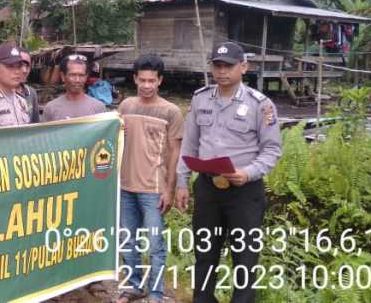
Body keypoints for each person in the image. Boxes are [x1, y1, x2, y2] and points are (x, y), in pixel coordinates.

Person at [175, 42, 282, 303]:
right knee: (205, 253)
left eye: (228, 66)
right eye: (217, 65)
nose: (222, 71)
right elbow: (189, 144)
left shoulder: (261, 105)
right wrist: (182, 182)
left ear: (243, 67)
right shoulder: (200, 99)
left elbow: (272, 150)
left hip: (244, 193)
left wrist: (248, 173)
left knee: (245, 258)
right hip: (208, 189)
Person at [115, 54, 184, 303]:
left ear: (160, 81)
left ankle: (156, 292)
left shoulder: (171, 112)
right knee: (127, 240)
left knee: (155, 243)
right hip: (125, 186)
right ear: (134, 79)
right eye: (142, 79)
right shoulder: (125, 107)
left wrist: (170, 189)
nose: (146, 85)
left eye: (151, 80)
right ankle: (134, 286)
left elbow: (175, 152)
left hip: (154, 188)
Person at [41, 54, 106, 121]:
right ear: (63, 76)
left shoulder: (99, 108)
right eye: (72, 75)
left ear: (86, 77)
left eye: (81, 75)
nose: (77, 80)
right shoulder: (51, 108)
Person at [17, 48, 41, 123]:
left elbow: (35, 124)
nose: (24, 70)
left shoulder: (31, 93)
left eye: (27, 66)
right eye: (19, 65)